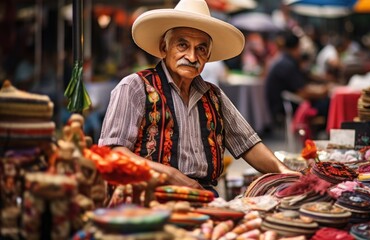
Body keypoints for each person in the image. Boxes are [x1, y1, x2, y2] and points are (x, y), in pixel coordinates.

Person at [98, 0, 299, 196]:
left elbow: (248, 144)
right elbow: (114, 152)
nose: (192, 57)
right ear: (163, 48)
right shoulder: (135, 86)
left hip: (203, 196)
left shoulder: (213, 96)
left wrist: (286, 173)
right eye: (182, 45)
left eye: (201, 49)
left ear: (208, 56)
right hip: (148, 196)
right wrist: (170, 175)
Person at [265, 30, 331, 125]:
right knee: (327, 103)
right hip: (286, 107)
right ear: (296, 47)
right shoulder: (287, 64)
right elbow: (302, 92)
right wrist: (322, 92)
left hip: (283, 104)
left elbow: (301, 84)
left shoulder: (285, 60)